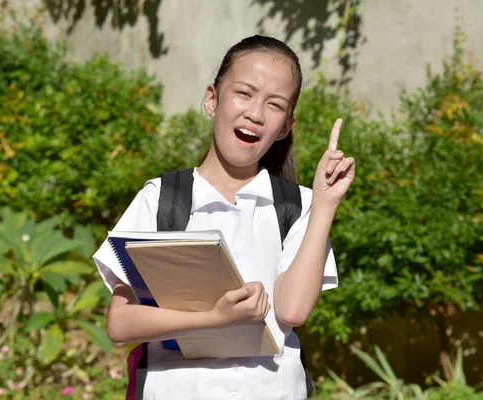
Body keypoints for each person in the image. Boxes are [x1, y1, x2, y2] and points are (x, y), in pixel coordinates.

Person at [93, 34, 356, 400]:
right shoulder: (161, 199)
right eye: (244, 93)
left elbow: (293, 310)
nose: (255, 113)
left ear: (285, 126)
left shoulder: (299, 205)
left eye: (275, 104)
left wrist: (325, 204)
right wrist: (215, 319)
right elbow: (121, 323)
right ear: (212, 99)